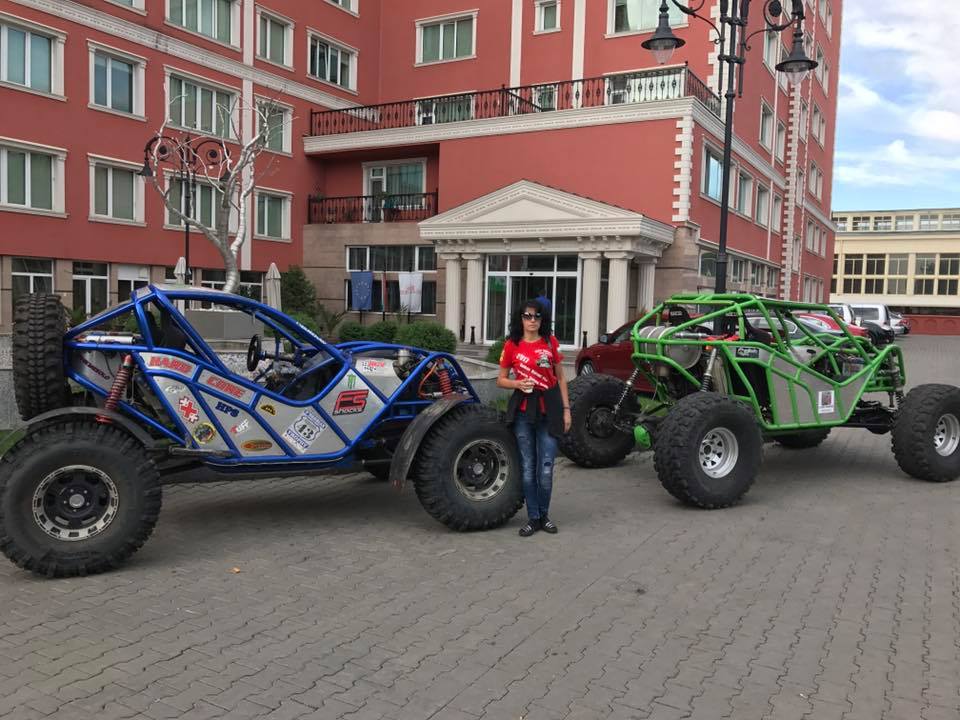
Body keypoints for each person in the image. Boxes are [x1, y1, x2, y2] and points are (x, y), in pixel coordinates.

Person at [496, 299, 571, 537]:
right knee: (528, 468)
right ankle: (533, 518)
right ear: (520, 319)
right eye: (527, 316)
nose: (532, 320)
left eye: (537, 316)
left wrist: (566, 410)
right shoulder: (512, 344)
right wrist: (517, 383)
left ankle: (545, 516)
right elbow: (501, 379)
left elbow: (561, 378)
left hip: (549, 409)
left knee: (546, 469)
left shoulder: (550, 342)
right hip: (523, 411)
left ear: (542, 319)